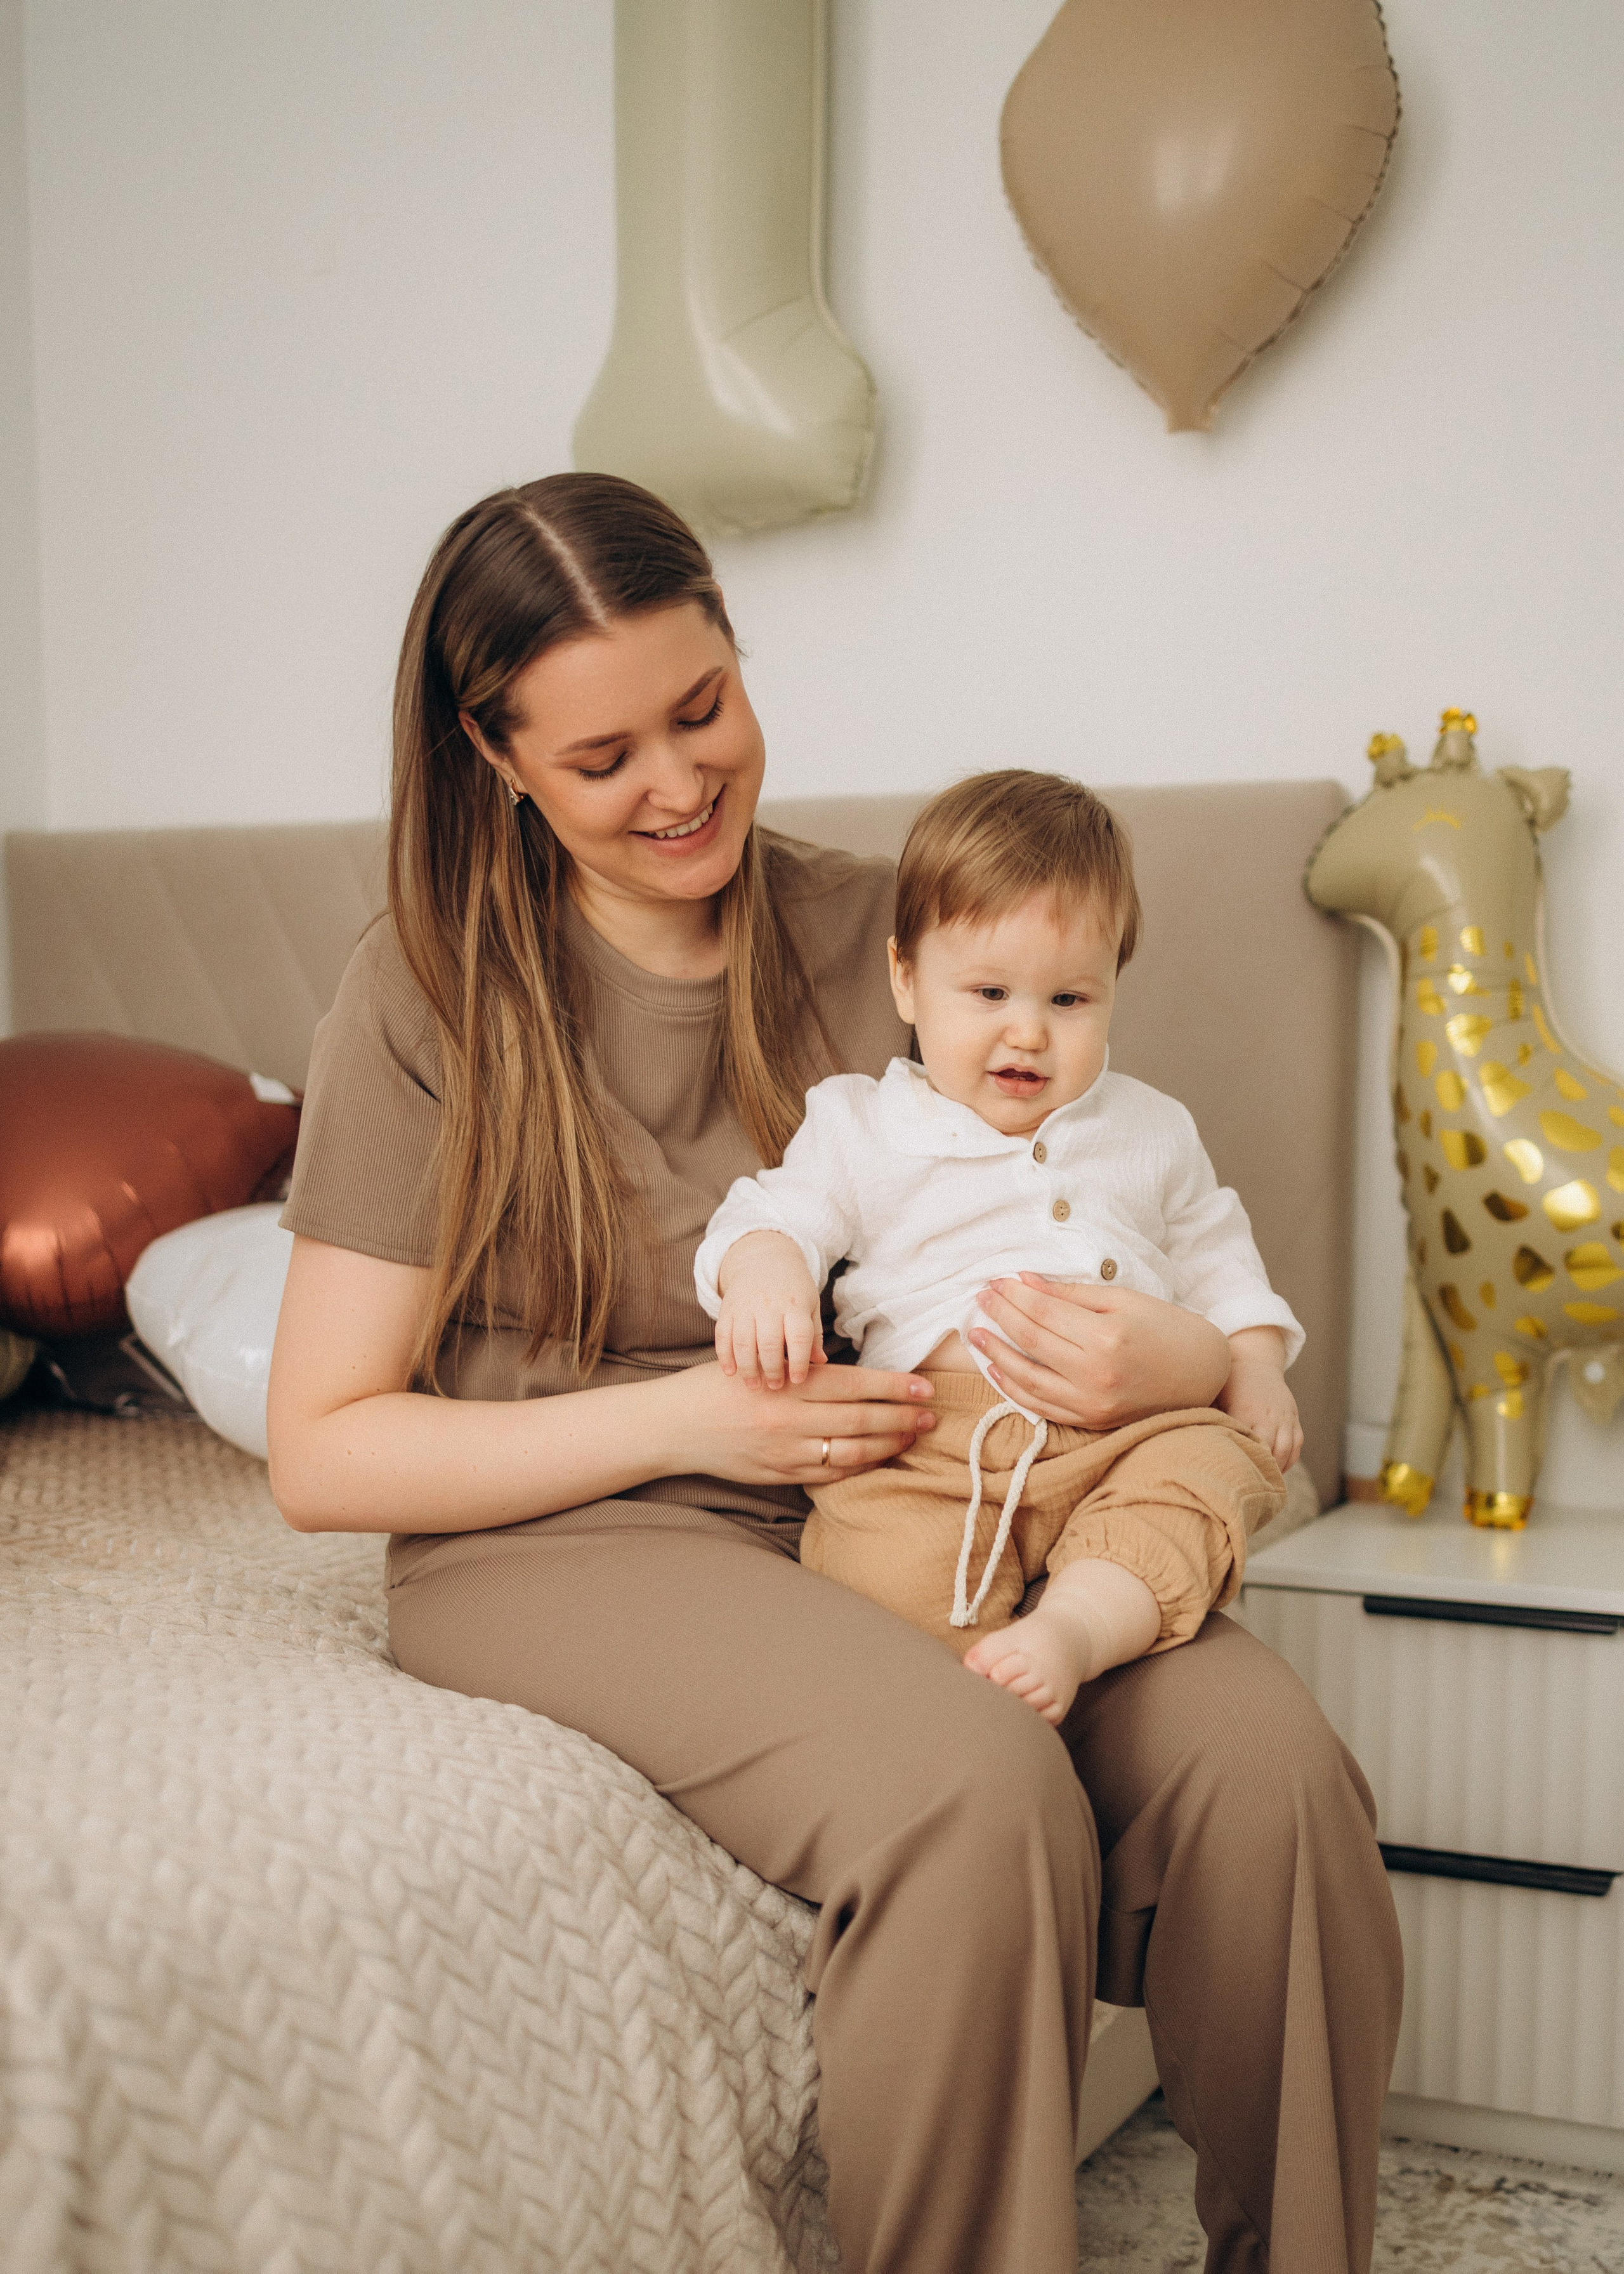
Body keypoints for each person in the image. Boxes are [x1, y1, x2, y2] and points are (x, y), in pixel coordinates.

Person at [267, 471, 1401, 2274]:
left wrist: (1186, 1354)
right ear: (496, 758)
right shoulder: (421, 991)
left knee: (1272, 1775)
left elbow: (1123, 1202)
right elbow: (322, 1452)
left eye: (704, 707)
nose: (681, 782)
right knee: (975, 1787)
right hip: (568, 1534)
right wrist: (711, 1413)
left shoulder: (899, 929)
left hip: (920, 1502)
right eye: (603, 756)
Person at [698, 770, 1300, 1726]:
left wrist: (1256, 1368)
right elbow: (775, 1211)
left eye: (1069, 999)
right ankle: (961, 1713)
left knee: (1219, 1472)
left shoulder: (1152, 1127)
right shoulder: (864, 1124)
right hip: (932, 1448)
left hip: (1126, 1437)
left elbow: (1218, 1254)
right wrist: (766, 1272)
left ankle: (1079, 1626)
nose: (1028, 1031)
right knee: (877, 1558)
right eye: (987, 991)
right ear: (906, 978)